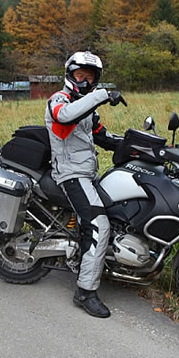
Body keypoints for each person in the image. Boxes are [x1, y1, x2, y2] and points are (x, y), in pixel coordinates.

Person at [44, 51, 126, 318]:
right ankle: (85, 291)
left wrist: (138, 146)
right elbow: (65, 116)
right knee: (97, 223)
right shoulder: (60, 100)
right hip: (70, 174)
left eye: (91, 78)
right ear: (70, 75)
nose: (86, 82)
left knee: (112, 215)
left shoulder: (86, 107)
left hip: (87, 173)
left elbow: (101, 135)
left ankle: (91, 262)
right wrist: (102, 95)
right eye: (81, 76)